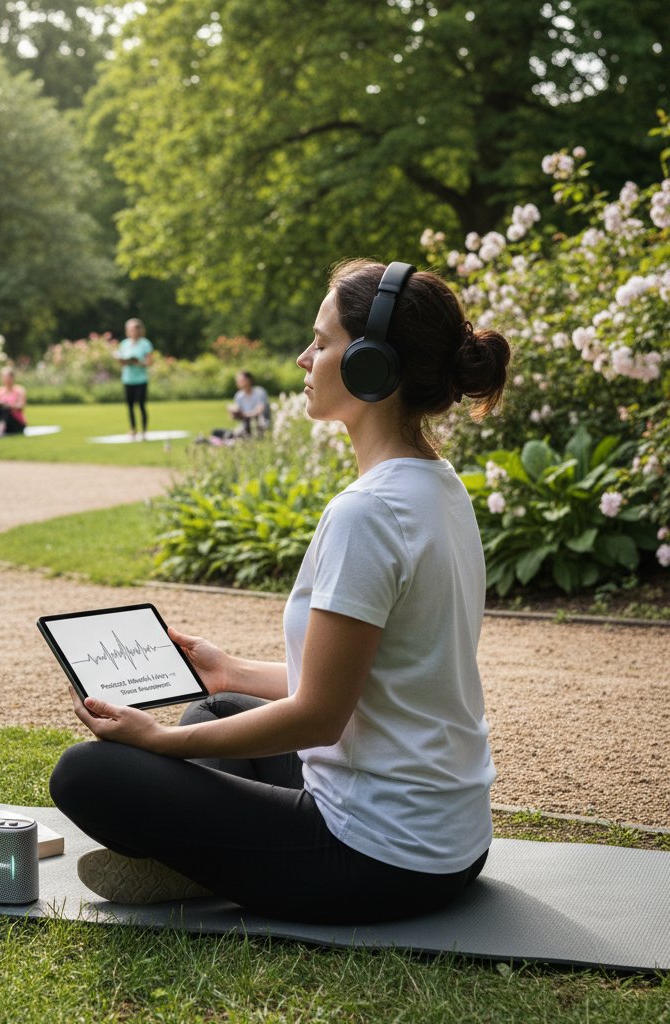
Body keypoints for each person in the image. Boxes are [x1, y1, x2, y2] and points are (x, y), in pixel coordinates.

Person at [49, 259, 511, 925]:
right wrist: (228, 667)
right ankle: (204, 852)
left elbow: (318, 716)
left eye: (320, 343)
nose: (303, 357)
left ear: (370, 366)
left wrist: (155, 743)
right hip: (451, 843)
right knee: (216, 708)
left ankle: (190, 860)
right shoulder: (440, 487)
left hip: (379, 859)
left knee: (87, 775)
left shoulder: (367, 514)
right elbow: (374, 678)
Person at [116, 318, 153, 440]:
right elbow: (121, 361)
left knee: (141, 405)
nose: (132, 332)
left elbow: (149, 362)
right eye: (130, 330)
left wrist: (139, 363)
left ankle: (144, 431)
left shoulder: (145, 343)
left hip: (141, 379)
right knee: (130, 406)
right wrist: (123, 361)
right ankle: (133, 429)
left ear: (139, 330)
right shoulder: (124, 344)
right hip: (128, 379)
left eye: (134, 329)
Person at [211, 370, 271, 441]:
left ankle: (233, 437)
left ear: (249, 380)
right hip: (244, 426)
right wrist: (233, 413)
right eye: (237, 380)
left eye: (240, 380)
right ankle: (233, 437)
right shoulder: (239, 396)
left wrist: (245, 415)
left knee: (242, 432)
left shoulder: (259, 392)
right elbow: (235, 414)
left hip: (259, 425)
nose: (238, 382)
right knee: (215, 432)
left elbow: (259, 411)